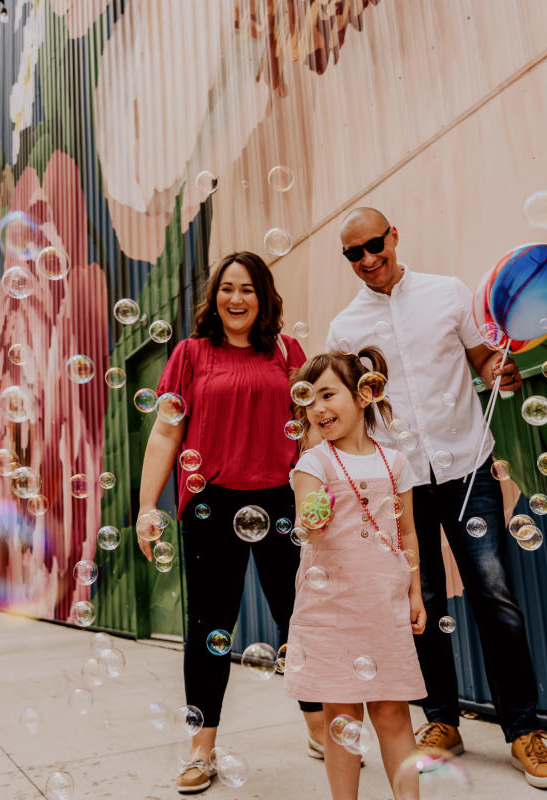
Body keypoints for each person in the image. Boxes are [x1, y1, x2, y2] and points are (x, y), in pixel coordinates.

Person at [325, 207, 547, 789]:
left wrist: (497, 372)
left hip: (468, 465)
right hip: (398, 484)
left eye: (374, 245)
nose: (367, 259)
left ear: (394, 236)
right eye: (353, 253)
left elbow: (482, 356)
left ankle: (523, 731)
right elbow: (345, 411)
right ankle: (441, 720)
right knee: (422, 602)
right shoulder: (344, 328)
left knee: (496, 596)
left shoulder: (447, 293)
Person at [135, 251, 324, 794]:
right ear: (213, 296)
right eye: (226, 288)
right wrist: (149, 507)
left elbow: (308, 430)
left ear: (263, 297)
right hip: (210, 503)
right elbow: (167, 433)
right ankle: (201, 750)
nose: (235, 299)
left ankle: (319, 729)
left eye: (247, 289)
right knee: (208, 629)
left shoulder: (288, 353)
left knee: (299, 619)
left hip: (282, 500)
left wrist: (318, 496)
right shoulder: (191, 354)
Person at [286, 348, 427, 800]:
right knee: (341, 718)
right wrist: (314, 513)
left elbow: (407, 536)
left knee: (392, 714)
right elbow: (308, 523)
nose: (317, 408)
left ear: (365, 393)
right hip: (331, 608)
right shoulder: (314, 462)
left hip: (383, 605)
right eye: (308, 400)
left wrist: (416, 595)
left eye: (328, 394)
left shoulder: (395, 463)